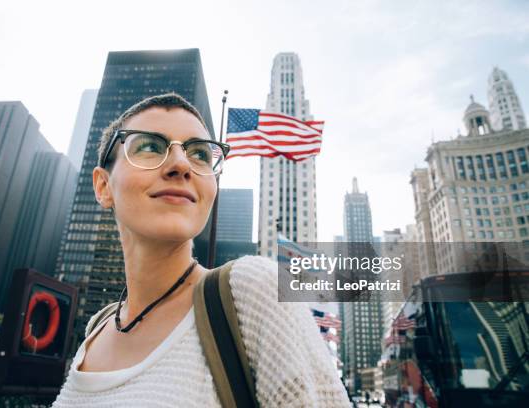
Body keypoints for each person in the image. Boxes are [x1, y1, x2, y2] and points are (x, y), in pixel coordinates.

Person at [52, 93, 350, 407]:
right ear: (103, 186)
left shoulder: (251, 292)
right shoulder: (97, 327)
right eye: (150, 146)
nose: (181, 165)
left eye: (200, 154)